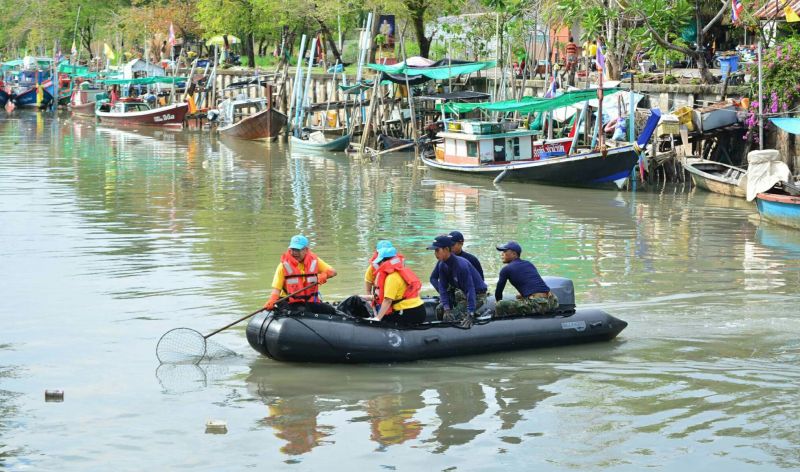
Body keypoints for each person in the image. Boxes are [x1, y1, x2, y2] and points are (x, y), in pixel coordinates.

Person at [263, 234, 337, 315]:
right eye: (292, 249)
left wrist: (325, 275)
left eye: (297, 250)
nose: (295, 253)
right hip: (289, 302)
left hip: (309, 301)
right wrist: (272, 300)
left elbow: (334, 272)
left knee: (331, 311)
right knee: (303, 312)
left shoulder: (315, 261)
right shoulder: (283, 266)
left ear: (306, 250)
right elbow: (276, 289)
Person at [428, 234, 487, 325]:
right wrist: (447, 308)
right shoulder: (442, 264)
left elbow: (470, 289)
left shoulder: (461, 265)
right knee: (440, 310)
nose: (435, 254)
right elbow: (442, 287)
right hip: (462, 292)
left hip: (478, 295)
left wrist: (470, 312)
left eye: (437, 250)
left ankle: (473, 315)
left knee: (453, 316)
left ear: (447, 249)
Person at [494, 241, 558, 317]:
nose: (502, 254)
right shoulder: (528, 264)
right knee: (519, 296)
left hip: (538, 304)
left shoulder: (506, 269)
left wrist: (498, 304)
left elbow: (498, 292)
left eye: (504, 251)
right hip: (553, 301)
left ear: (514, 254)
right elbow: (533, 283)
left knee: (500, 305)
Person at [367, 246, 426, 325]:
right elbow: (379, 297)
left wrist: (377, 318)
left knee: (384, 318)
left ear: (384, 261)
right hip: (419, 309)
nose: (378, 264)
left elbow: (387, 300)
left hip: (409, 312)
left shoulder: (392, 277)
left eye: (379, 262)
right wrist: (360, 297)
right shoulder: (401, 271)